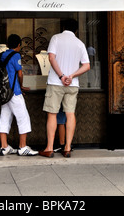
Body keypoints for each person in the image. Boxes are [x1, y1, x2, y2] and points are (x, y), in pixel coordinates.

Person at [39, 18, 90, 158]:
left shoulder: (56, 38)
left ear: (63, 27)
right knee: (70, 114)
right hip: (72, 84)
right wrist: (72, 75)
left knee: (52, 113)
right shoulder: (80, 43)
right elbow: (87, 65)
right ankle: (67, 147)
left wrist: (61, 76)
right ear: (76, 30)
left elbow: (51, 58)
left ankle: (49, 148)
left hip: (56, 82)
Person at [0, 33, 38, 156]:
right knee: (23, 117)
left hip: (4, 92)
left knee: (4, 117)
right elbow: (20, 74)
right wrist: (21, 86)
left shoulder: (1, 55)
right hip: (14, 91)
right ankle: (22, 147)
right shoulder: (16, 55)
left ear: (8, 44)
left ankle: (4, 146)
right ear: (19, 45)